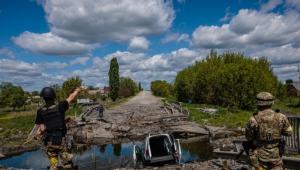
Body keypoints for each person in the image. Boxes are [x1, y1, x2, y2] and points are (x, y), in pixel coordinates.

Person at [35, 86, 81, 170]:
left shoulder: (40, 111)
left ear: (44, 98)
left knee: (54, 163)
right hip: (61, 141)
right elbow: (71, 98)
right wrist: (76, 91)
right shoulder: (60, 106)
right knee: (67, 163)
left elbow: (42, 128)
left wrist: (39, 133)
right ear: (53, 97)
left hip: (49, 141)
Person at [245, 92, 293, 170]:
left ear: (258, 103)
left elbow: (248, 137)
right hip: (276, 155)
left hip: (259, 157)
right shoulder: (281, 117)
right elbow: (289, 132)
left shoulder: (253, 119)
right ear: (272, 102)